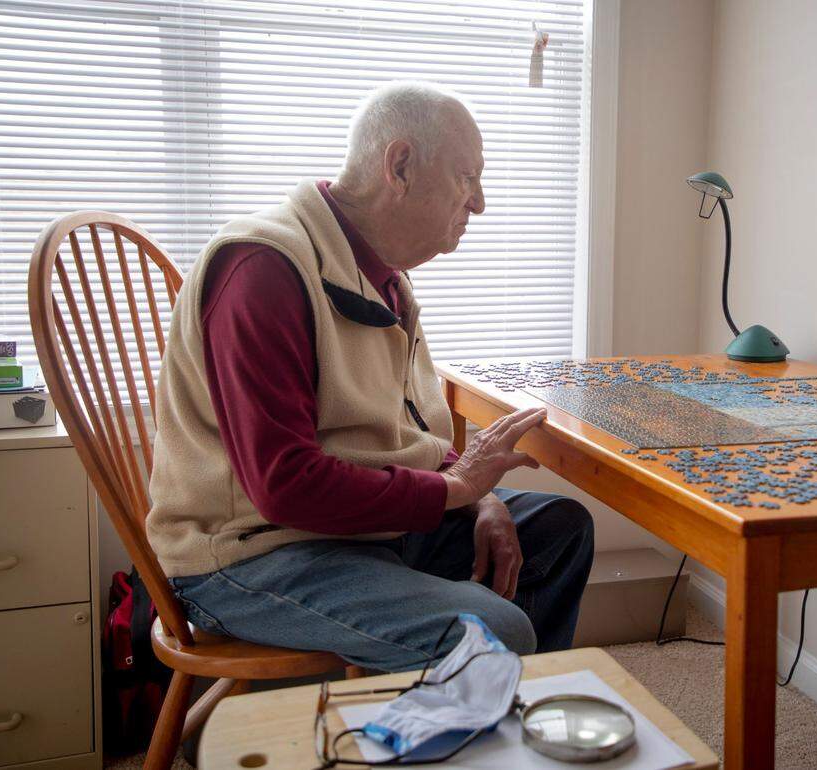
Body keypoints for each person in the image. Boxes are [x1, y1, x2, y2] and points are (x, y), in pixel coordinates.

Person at [146, 81, 594, 669]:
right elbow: (284, 486)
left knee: (560, 529)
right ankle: (465, 721)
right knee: (496, 632)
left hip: (354, 533)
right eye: (467, 177)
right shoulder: (263, 270)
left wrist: (471, 492)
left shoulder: (382, 274)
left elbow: (393, 431)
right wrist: (456, 490)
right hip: (252, 553)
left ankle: (493, 716)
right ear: (401, 165)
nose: (479, 202)